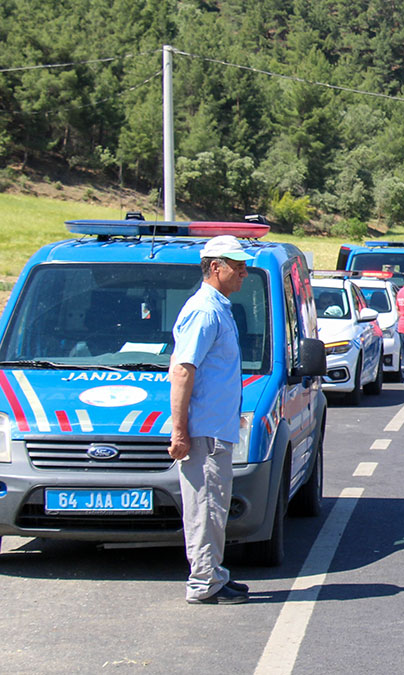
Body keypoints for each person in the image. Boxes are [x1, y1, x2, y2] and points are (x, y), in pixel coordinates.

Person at [168, 235, 253, 605]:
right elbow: (183, 371)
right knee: (205, 507)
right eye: (238, 267)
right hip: (203, 431)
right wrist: (179, 430)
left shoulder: (217, 307)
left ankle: (214, 574)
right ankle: (203, 583)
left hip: (214, 429)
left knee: (214, 507)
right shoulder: (204, 311)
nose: (243, 274)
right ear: (215, 267)